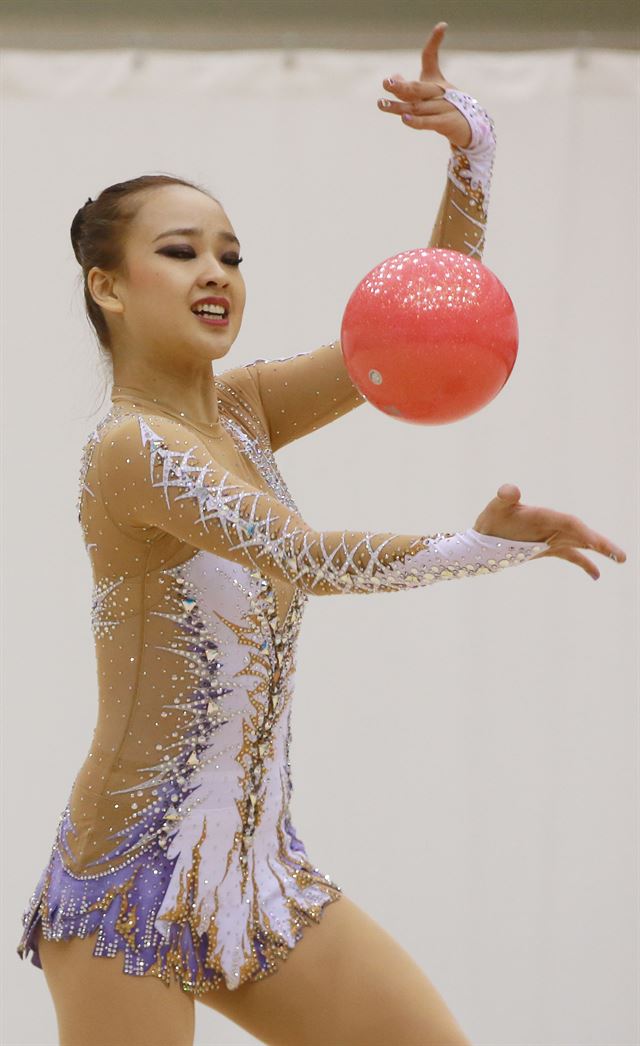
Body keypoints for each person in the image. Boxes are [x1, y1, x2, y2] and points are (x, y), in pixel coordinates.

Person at [15, 23, 626, 1046]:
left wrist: (470, 149)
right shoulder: (130, 450)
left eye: (230, 253)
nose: (216, 270)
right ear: (107, 286)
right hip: (128, 883)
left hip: (261, 873)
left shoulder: (242, 411)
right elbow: (301, 554)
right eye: (180, 251)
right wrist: (477, 543)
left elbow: (420, 319)